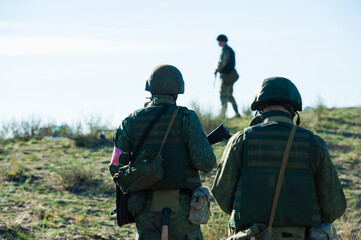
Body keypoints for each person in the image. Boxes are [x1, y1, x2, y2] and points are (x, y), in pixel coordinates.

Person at [211, 77, 346, 239]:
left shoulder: (240, 140)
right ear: (293, 110)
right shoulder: (314, 144)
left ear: (260, 108)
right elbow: (334, 207)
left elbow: (222, 193)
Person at [109, 64, 216, 240]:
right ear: (178, 91)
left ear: (150, 91)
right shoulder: (187, 117)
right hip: (183, 208)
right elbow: (206, 164)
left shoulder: (131, 121)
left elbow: (115, 166)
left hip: (144, 206)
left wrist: (140, 174)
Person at [214, 34, 241, 118]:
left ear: (223, 41)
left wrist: (217, 69)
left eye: (219, 41)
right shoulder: (230, 50)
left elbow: (223, 63)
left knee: (223, 95)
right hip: (230, 76)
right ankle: (237, 113)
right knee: (229, 95)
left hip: (225, 76)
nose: (218, 43)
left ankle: (223, 115)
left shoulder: (225, 50)